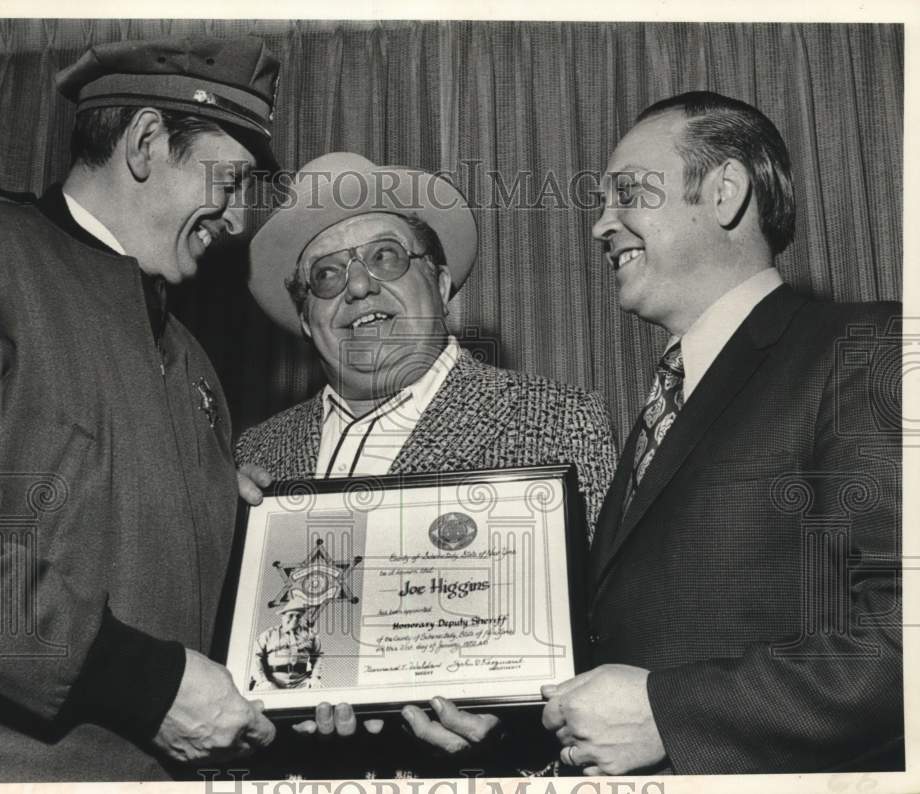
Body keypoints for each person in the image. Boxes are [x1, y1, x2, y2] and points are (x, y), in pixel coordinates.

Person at [0, 35, 283, 782]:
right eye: (230, 182)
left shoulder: (193, 360)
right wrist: (140, 683)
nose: (236, 221)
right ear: (146, 141)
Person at [542, 91, 903, 774]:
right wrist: (509, 715)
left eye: (627, 194)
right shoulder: (669, 396)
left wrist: (670, 713)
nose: (599, 226)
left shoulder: (865, 350)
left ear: (724, 193)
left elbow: (902, 635)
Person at [235, 151, 617, 777]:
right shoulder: (254, 455)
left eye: (385, 257)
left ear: (439, 285)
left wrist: (512, 734)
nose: (359, 287)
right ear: (306, 318)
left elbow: (614, 638)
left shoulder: (558, 419)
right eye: (327, 275)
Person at [252, 597, 323, 690]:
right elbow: (256, 657)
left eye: (298, 616)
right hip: (273, 682)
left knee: (317, 689)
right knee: (262, 691)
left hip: (301, 682)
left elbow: (318, 656)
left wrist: (315, 678)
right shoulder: (268, 635)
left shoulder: (311, 635)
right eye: (291, 615)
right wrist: (262, 681)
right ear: (283, 616)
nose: (294, 619)